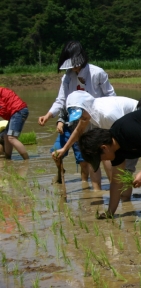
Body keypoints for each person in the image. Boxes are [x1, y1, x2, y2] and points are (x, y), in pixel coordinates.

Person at [37, 40, 116, 189]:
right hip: (80, 121)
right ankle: (97, 190)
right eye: (71, 65)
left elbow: (111, 96)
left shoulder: (97, 73)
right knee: (91, 155)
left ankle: (114, 186)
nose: (74, 68)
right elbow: (61, 100)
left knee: (106, 155)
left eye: (76, 64)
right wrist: (49, 115)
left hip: (99, 119)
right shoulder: (67, 77)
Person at [78, 107, 141, 218]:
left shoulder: (125, 129)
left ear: (104, 148)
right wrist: (110, 213)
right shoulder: (116, 152)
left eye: (101, 158)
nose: (103, 161)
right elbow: (116, 182)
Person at [52, 90, 138, 196]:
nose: (80, 118)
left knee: (125, 171)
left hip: (136, 127)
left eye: (81, 114)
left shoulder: (107, 114)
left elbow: (128, 133)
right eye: (78, 116)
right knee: (120, 171)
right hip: (124, 130)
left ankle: (125, 204)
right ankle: (123, 202)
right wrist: (64, 149)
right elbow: (79, 131)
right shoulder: (88, 112)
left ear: (86, 106)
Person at [0, 87, 30, 160]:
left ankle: (27, 160)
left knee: (12, 138)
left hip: (18, 111)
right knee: (6, 135)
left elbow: (3, 110)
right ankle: (8, 158)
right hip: (17, 111)